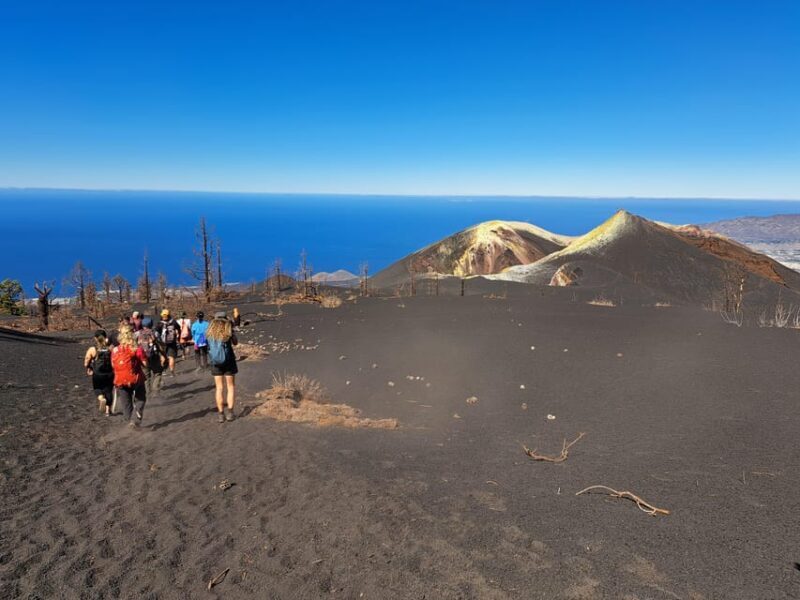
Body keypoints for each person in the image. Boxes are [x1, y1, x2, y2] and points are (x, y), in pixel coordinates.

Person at [112, 325, 148, 428]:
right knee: (141, 397)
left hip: (120, 380)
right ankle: (138, 412)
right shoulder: (136, 348)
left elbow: (113, 365)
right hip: (135, 378)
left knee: (126, 403)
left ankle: (130, 422)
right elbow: (145, 364)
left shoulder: (115, 350)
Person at [206, 311, 238, 423]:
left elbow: (207, 346)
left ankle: (220, 414)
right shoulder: (228, 329)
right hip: (229, 361)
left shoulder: (210, 331)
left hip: (215, 362)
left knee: (219, 388)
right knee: (230, 387)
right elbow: (235, 343)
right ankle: (230, 412)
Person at [83, 329, 114, 416]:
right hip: (109, 373)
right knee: (108, 390)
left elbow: (86, 362)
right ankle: (108, 411)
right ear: (106, 338)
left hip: (97, 373)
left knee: (97, 388)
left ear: (95, 338)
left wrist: (89, 367)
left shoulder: (93, 349)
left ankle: (101, 399)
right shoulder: (111, 348)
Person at [136, 317, 164, 396]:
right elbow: (160, 344)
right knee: (158, 372)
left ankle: (148, 393)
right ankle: (155, 389)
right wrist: (163, 354)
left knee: (146, 376)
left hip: (143, 357)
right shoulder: (155, 333)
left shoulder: (138, 333)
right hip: (154, 356)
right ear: (151, 324)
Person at [155, 309, 180, 376]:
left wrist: (158, 341)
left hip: (162, 343)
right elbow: (178, 329)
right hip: (172, 342)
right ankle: (172, 371)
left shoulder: (159, 323)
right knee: (171, 357)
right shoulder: (173, 322)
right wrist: (177, 336)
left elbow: (156, 334)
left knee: (163, 356)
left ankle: (163, 371)